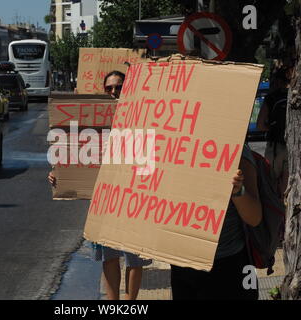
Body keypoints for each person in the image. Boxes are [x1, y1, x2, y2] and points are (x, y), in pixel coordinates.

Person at [48, 70, 152, 300]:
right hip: (105, 201)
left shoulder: (142, 116)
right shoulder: (92, 122)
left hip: (134, 198)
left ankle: (130, 302)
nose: (114, 91)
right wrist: (60, 175)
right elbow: (75, 154)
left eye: (119, 87)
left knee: (135, 256)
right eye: (109, 88)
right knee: (109, 255)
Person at [170, 144, 263, 300]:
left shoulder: (237, 149)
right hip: (182, 265)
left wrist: (237, 190)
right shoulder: (172, 146)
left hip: (229, 265)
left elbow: (254, 217)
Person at [256, 68, 290, 200]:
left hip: (275, 147)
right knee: (287, 185)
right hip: (292, 148)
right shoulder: (294, 96)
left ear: (277, 82)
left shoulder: (271, 98)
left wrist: (271, 128)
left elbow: (259, 125)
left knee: (270, 183)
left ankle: (274, 214)